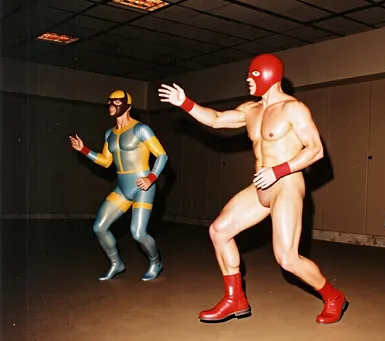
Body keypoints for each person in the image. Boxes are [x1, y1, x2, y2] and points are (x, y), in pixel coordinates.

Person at [158, 54, 347, 324]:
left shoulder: (293, 109)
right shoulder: (251, 110)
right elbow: (215, 119)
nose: (247, 79)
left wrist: (278, 170)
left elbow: (315, 150)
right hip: (261, 185)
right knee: (219, 231)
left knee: (287, 259)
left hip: (286, 184)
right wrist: (185, 103)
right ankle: (235, 299)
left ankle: (334, 297)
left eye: (252, 75)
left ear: (267, 75)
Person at [69, 90, 168, 281]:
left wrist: (151, 178)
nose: (112, 106)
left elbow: (162, 155)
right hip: (122, 188)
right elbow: (106, 161)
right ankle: (116, 264)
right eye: (110, 102)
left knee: (138, 233)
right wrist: (84, 150)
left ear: (127, 106)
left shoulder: (141, 129)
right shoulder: (110, 134)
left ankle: (156, 262)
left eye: (116, 102)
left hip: (142, 187)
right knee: (99, 227)